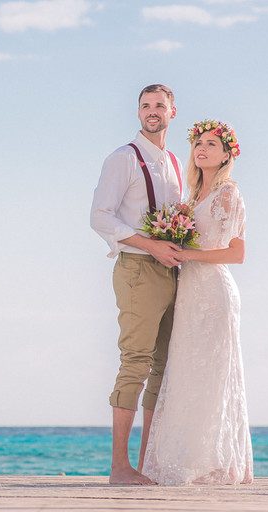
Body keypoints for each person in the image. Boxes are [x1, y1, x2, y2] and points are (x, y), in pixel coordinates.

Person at [142, 120, 253, 485]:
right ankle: (189, 458)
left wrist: (188, 255)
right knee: (188, 371)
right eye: (198, 143)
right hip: (189, 293)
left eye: (211, 144)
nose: (202, 149)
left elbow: (236, 254)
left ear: (226, 155)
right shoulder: (192, 197)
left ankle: (216, 463)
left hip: (214, 293)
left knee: (213, 374)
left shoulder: (228, 193)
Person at [90, 84, 186, 484]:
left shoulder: (177, 162)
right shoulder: (122, 159)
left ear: (172, 113)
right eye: (145, 106)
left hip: (174, 273)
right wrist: (151, 246)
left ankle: (146, 465)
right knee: (135, 364)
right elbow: (100, 217)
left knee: (164, 368)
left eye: (159, 106)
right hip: (137, 270)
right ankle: (119, 468)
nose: (151, 112)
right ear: (138, 113)